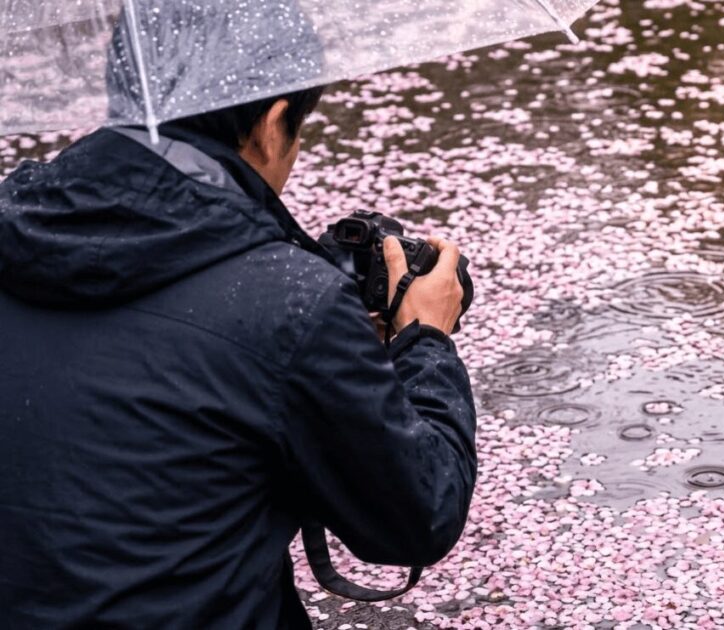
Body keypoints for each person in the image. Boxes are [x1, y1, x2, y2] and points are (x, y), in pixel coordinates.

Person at [0, 8, 477, 629]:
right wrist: (425, 343)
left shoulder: (16, 230)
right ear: (274, 120)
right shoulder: (284, 302)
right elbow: (419, 517)